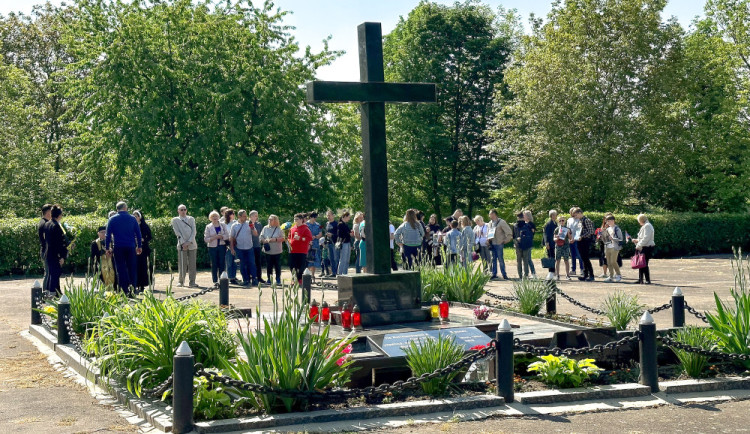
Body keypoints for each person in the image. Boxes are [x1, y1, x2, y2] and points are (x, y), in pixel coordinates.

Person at [105, 201, 143, 295]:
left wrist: (107, 248)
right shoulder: (132, 219)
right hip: (130, 246)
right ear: (125, 208)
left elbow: (108, 235)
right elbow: (138, 234)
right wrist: (139, 246)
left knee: (120, 269)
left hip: (118, 246)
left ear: (117, 208)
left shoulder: (112, 219)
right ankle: (133, 288)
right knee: (132, 268)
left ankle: (124, 290)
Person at [171, 204, 198, 287]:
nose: (183, 211)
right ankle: (181, 281)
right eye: (181, 210)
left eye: (184, 209)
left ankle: (192, 281)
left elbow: (194, 231)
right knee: (182, 264)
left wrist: (189, 242)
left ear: (186, 210)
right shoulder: (175, 220)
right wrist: (183, 243)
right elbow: (177, 232)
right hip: (182, 245)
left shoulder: (191, 219)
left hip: (192, 244)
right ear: (178, 211)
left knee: (192, 264)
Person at [230, 210, 257, 287]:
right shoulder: (234, 225)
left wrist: (252, 227)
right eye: (244, 216)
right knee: (242, 265)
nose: (246, 217)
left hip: (249, 247)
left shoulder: (249, 223)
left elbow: (255, 234)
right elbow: (231, 238)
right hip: (239, 248)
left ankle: (254, 279)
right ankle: (245, 280)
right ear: (239, 216)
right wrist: (232, 249)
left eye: (246, 216)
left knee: (252, 263)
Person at [43, 205, 67, 295]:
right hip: (55, 254)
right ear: (59, 215)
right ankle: (52, 294)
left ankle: (55, 293)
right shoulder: (56, 226)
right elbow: (58, 243)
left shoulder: (47, 224)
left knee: (52, 274)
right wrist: (61, 256)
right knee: (55, 275)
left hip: (49, 253)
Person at [204, 210, 229, 287]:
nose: (215, 218)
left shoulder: (223, 225)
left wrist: (221, 236)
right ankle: (215, 281)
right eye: (213, 217)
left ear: (218, 217)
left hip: (222, 246)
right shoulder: (208, 227)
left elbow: (227, 235)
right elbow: (206, 239)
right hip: (212, 247)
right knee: (214, 264)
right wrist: (214, 237)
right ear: (210, 218)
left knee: (222, 263)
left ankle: (222, 279)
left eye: (216, 216)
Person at [487, 209, 512, 280]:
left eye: (490, 214)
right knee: (493, 259)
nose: (489, 216)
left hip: (499, 243)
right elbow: (488, 233)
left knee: (500, 259)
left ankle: (504, 274)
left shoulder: (502, 222)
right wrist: (488, 239)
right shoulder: (489, 223)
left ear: (494, 214)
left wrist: (505, 241)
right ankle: (494, 274)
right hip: (492, 244)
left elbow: (509, 232)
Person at [288, 213, 313, 284]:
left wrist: (301, 238)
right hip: (292, 250)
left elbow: (309, 238)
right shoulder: (292, 228)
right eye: (294, 219)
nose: (295, 221)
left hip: (302, 250)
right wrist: (289, 241)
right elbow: (289, 237)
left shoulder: (306, 228)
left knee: (301, 265)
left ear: (301, 220)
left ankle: (300, 279)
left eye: (297, 219)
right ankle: (294, 278)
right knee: (292, 265)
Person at [632, 214, 656, 284]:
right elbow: (644, 238)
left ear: (641, 220)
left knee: (644, 263)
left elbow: (646, 238)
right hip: (644, 246)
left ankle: (647, 280)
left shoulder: (647, 226)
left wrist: (639, 245)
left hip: (647, 247)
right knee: (641, 263)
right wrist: (637, 240)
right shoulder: (646, 226)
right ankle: (641, 279)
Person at [260, 215, 284, 285]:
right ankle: (269, 279)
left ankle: (278, 279)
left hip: (277, 250)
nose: (269, 221)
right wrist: (264, 240)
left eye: (271, 219)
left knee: (277, 265)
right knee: (269, 266)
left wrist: (275, 239)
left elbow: (283, 238)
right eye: (269, 219)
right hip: (268, 250)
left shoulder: (279, 229)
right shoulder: (265, 228)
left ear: (275, 220)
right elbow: (261, 236)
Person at [574, 208, 596, 281]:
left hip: (586, 241)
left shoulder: (586, 220)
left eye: (576, 215)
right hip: (580, 241)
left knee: (586, 258)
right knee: (583, 258)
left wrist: (582, 236)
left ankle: (591, 275)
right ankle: (585, 274)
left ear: (580, 213)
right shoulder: (580, 221)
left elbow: (591, 231)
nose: (575, 216)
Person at [133, 210, 153, 292]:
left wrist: (143, 239)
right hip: (134, 248)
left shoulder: (144, 226)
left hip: (143, 249)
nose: (135, 218)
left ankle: (142, 284)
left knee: (144, 266)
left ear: (140, 217)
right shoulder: (131, 225)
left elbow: (150, 236)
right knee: (135, 266)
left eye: (136, 216)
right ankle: (136, 283)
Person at [601, 214, 623, 282]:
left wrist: (613, 238)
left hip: (615, 247)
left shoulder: (617, 229)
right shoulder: (607, 229)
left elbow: (620, 239)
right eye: (607, 221)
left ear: (613, 221)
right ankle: (611, 276)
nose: (607, 223)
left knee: (613, 261)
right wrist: (602, 237)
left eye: (609, 221)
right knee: (609, 262)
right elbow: (605, 239)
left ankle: (618, 275)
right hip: (608, 246)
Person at [513, 211, 534, 279]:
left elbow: (514, 236)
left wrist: (517, 239)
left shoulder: (517, 225)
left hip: (522, 245)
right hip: (523, 245)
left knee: (521, 261)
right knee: (524, 260)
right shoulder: (526, 225)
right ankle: (524, 275)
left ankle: (522, 275)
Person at [247, 211, 265, 284]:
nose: (256, 217)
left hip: (256, 245)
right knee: (249, 262)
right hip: (248, 246)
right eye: (254, 215)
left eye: (257, 216)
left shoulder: (259, 224)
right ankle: (249, 277)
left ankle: (259, 277)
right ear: (250, 216)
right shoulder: (246, 223)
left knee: (258, 262)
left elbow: (259, 234)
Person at [554, 215, 574, 280]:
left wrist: (568, 233)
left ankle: (567, 275)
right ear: (558, 221)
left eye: (563, 220)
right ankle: (557, 275)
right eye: (560, 221)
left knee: (566, 260)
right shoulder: (557, 229)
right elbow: (554, 239)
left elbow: (571, 238)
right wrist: (556, 238)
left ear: (565, 221)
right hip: (558, 245)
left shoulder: (568, 229)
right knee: (558, 260)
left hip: (566, 245)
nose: (561, 222)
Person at [222, 209, 239, 284]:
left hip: (236, 243)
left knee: (235, 261)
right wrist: (227, 244)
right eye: (233, 213)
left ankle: (234, 276)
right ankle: (230, 277)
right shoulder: (224, 224)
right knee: (229, 261)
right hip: (227, 243)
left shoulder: (236, 222)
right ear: (229, 215)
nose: (234, 215)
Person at [38, 204, 52, 292]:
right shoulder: (45, 224)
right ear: (48, 212)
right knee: (48, 273)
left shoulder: (43, 222)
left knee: (48, 273)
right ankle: (46, 292)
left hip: (45, 250)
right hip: (47, 251)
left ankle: (47, 292)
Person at [566, 207, 584, 275]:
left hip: (577, 239)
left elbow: (578, 230)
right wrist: (570, 238)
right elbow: (568, 229)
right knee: (572, 255)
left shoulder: (579, 220)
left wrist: (575, 238)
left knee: (579, 255)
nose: (572, 213)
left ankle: (582, 269)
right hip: (570, 239)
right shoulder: (569, 220)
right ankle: (573, 269)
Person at [542, 210, 558, 280]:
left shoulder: (555, 223)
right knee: (550, 257)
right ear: (551, 215)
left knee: (553, 257)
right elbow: (546, 234)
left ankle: (553, 272)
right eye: (554, 215)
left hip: (554, 243)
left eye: (556, 215)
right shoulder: (548, 224)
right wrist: (546, 243)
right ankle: (551, 272)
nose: (555, 216)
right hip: (550, 243)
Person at [306, 212, 323, 277]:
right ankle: (307, 274)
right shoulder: (306, 225)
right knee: (308, 260)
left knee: (314, 260)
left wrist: (316, 236)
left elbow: (320, 234)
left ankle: (313, 275)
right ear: (310, 217)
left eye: (316, 217)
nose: (315, 218)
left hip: (315, 245)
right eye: (314, 217)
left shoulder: (318, 225)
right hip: (308, 245)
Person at [522, 210, 537, 277]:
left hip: (529, 242)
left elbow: (532, 233)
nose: (523, 216)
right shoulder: (523, 223)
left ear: (528, 216)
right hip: (523, 242)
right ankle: (526, 272)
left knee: (528, 258)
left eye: (524, 215)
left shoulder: (531, 224)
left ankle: (533, 273)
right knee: (525, 259)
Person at [325, 210, 339, 277]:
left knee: (336, 258)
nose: (328, 217)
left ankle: (337, 272)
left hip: (335, 243)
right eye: (327, 215)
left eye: (329, 215)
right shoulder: (327, 224)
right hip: (329, 243)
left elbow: (339, 234)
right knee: (331, 258)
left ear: (333, 216)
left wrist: (332, 235)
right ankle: (333, 272)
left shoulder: (336, 224)